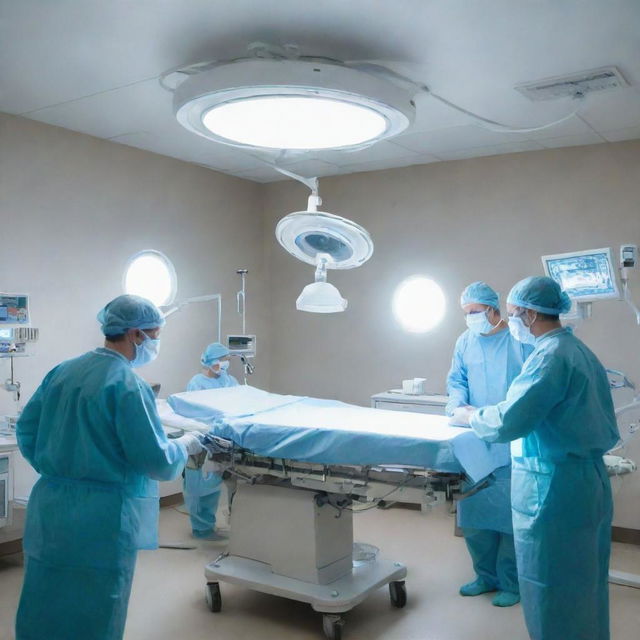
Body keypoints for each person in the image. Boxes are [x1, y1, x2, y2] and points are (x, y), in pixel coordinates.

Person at [15, 295, 203, 640]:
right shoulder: (128, 385)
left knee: (46, 597)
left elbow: (26, 431)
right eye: (155, 334)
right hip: (101, 519)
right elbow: (157, 462)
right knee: (95, 606)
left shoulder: (63, 371)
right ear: (135, 334)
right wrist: (186, 444)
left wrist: (59, 465)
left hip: (51, 509)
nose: (155, 342)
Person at [453, 276, 619, 640]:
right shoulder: (577, 350)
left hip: (554, 489)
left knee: (552, 586)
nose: (511, 321)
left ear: (527, 314)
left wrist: (470, 416)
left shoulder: (549, 357)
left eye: (512, 314)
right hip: (582, 481)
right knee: (584, 583)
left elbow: (510, 420)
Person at [446, 281, 532, 607]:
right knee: (475, 513)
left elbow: (531, 386)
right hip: (474, 439)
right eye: (466, 313)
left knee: (510, 516)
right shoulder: (465, 341)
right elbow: (456, 380)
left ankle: (512, 583)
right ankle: (485, 576)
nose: (470, 319)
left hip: (511, 439)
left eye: (475, 312)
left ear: (494, 310)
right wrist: (458, 407)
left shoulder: (519, 341)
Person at [183, 342, 238, 540]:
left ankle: (237, 524)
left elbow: (239, 404)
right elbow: (193, 413)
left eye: (227, 360)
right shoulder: (196, 383)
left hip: (226, 439)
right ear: (210, 361)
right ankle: (201, 527)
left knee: (223, 481)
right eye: (222, 360)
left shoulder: (230, 381)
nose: (225, 363)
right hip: (203, 440)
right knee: (200, 486)